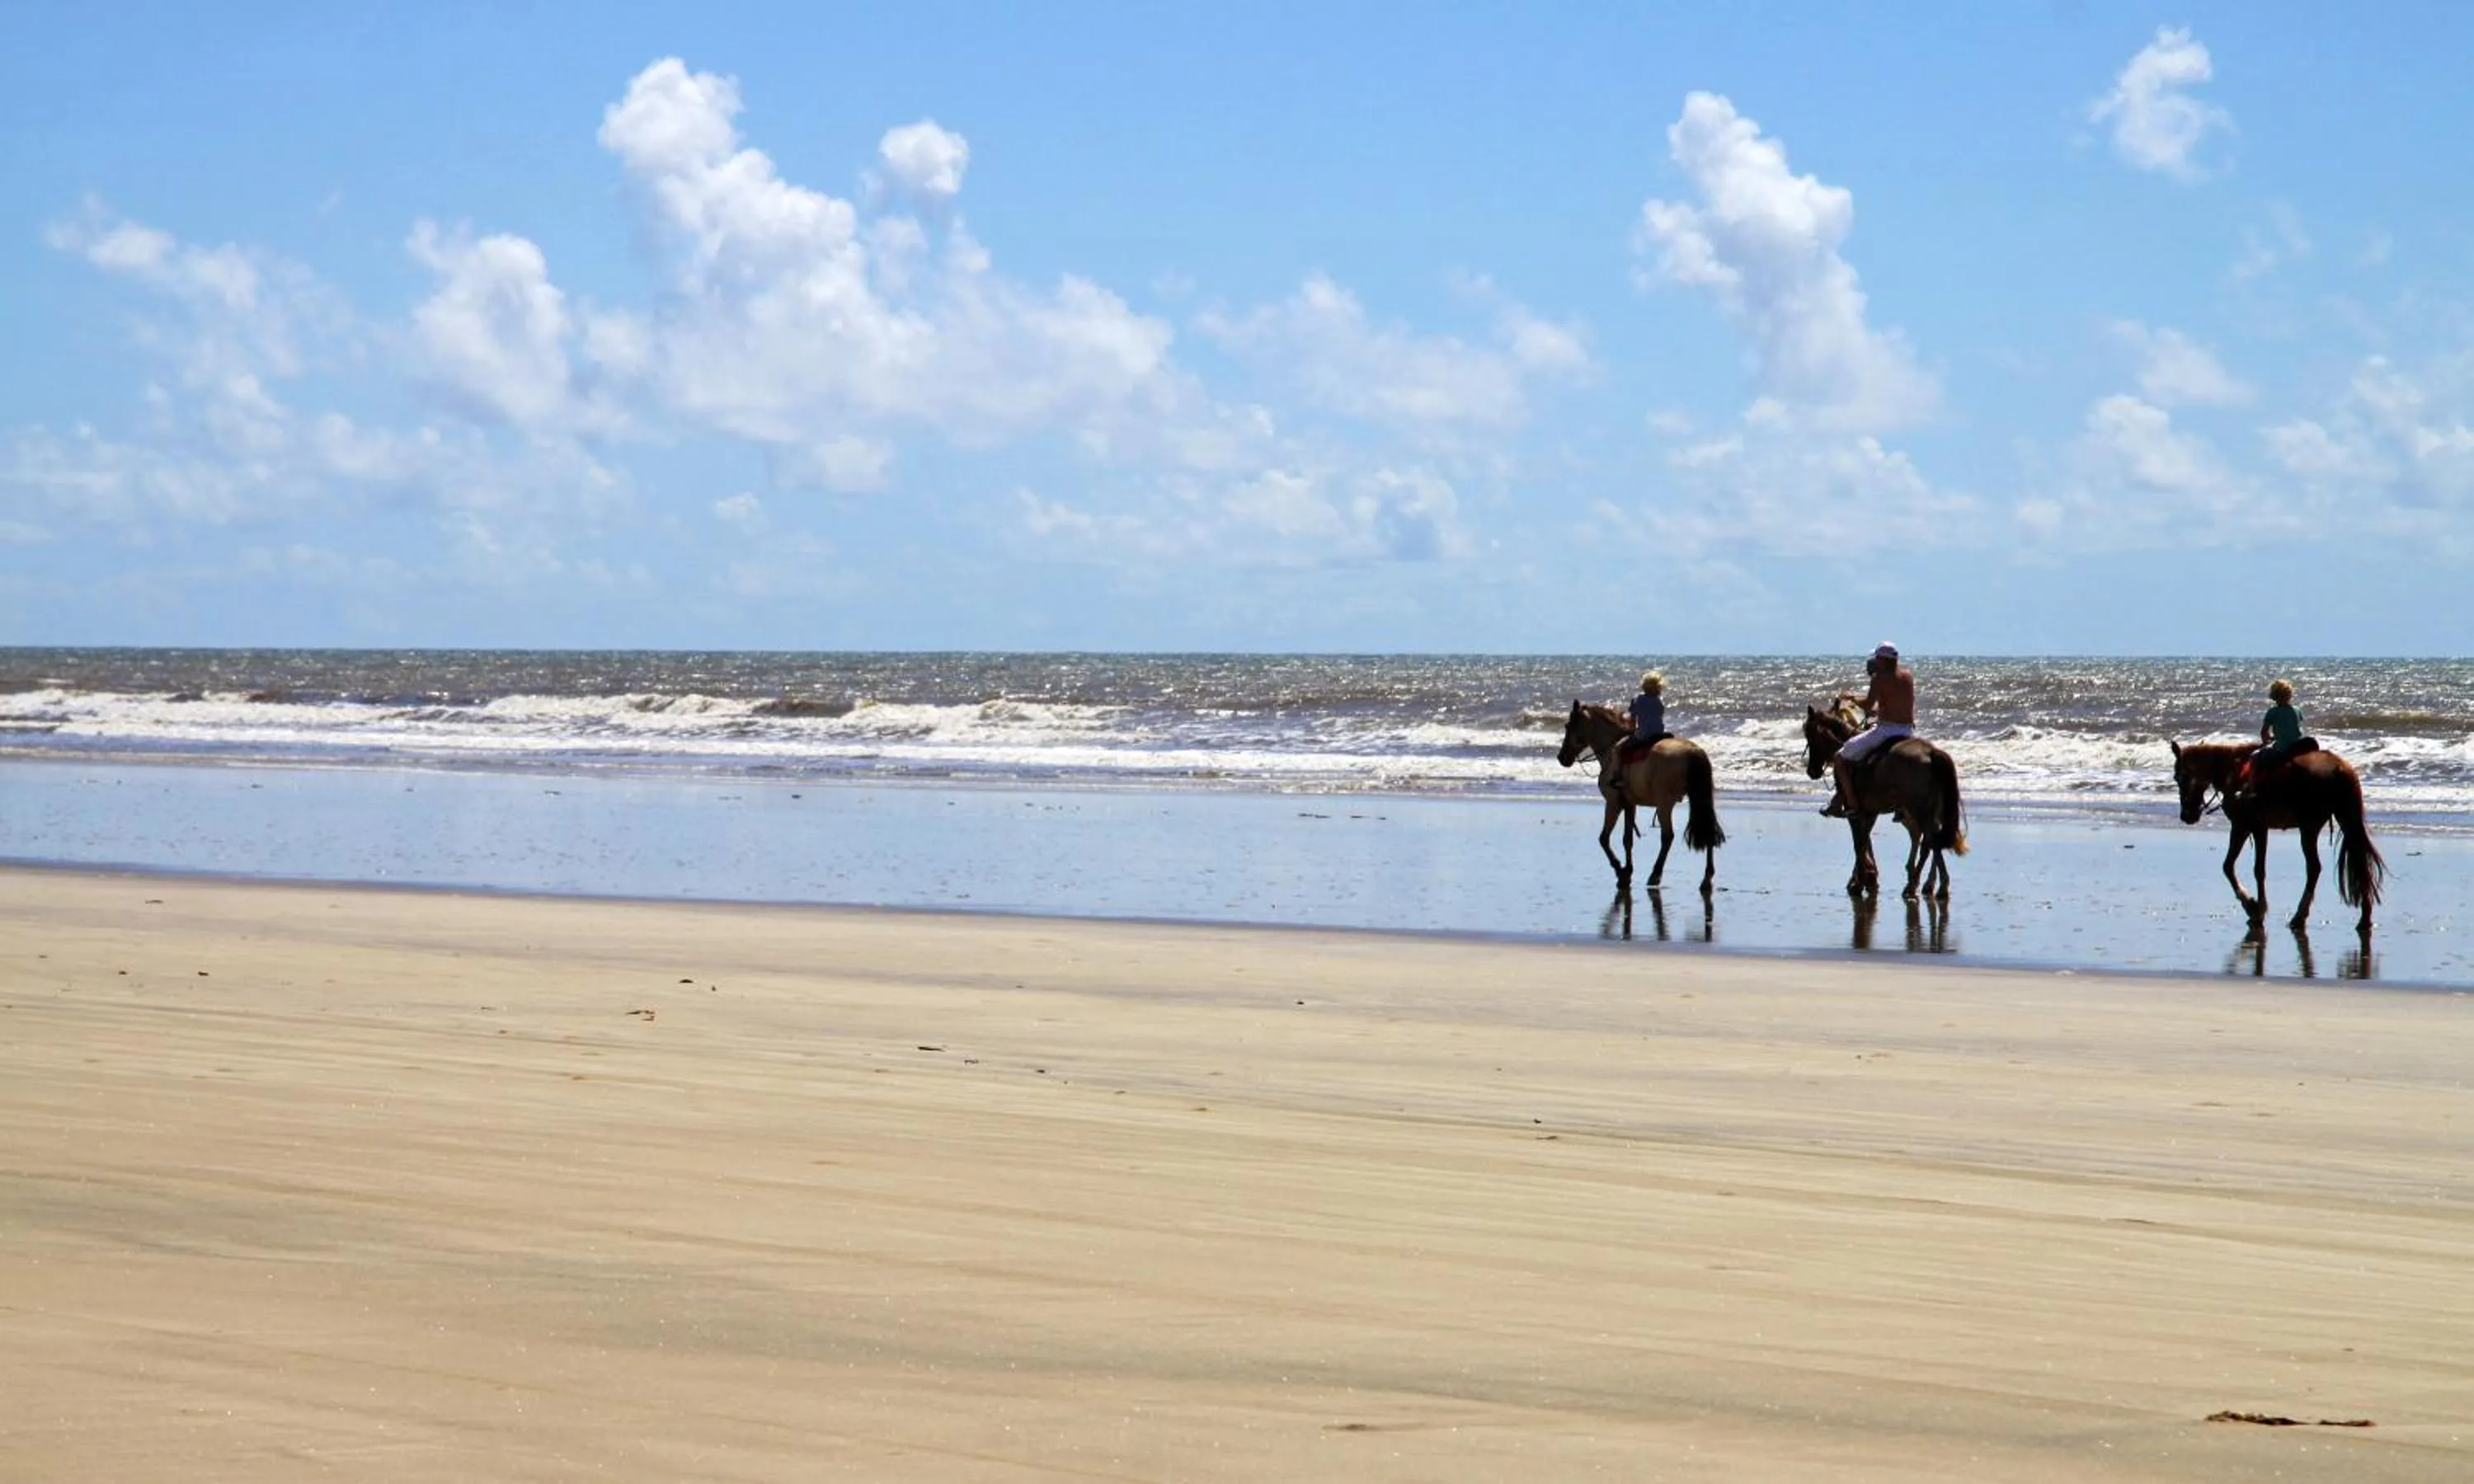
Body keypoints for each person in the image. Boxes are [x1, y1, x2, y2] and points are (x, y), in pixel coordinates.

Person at [1823, 642, 1915, 817]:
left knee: (1840, 758)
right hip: (1908, 732)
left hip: (1886, 731)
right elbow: (1893, 704)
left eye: (1877, 659)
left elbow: (1867, 704)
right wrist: (1879, 711)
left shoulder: (1879, 678)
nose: (1875, 662)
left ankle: (1850, 804)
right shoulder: (1908, 676)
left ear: (1881, 659)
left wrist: (1851, 698)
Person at [2232, 678, 2307, 803]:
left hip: (2282, 748)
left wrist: (2267, 741)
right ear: (2290, 695)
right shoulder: (2297, 710)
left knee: (2254, 757)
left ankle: (2251, 790)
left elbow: (2264, 732)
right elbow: (2294, 727)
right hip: (2298, 746)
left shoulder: (2273, 712)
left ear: (2274, 696)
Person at [1616, 669, 1668, 767]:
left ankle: (1617, 774)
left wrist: (1630, 730)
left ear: (1644, 686)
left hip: (1644, 735)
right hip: (1659, 733)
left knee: (1618, 749)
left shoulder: (1638, 700)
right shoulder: (1659, 702)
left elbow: (1633, 721)